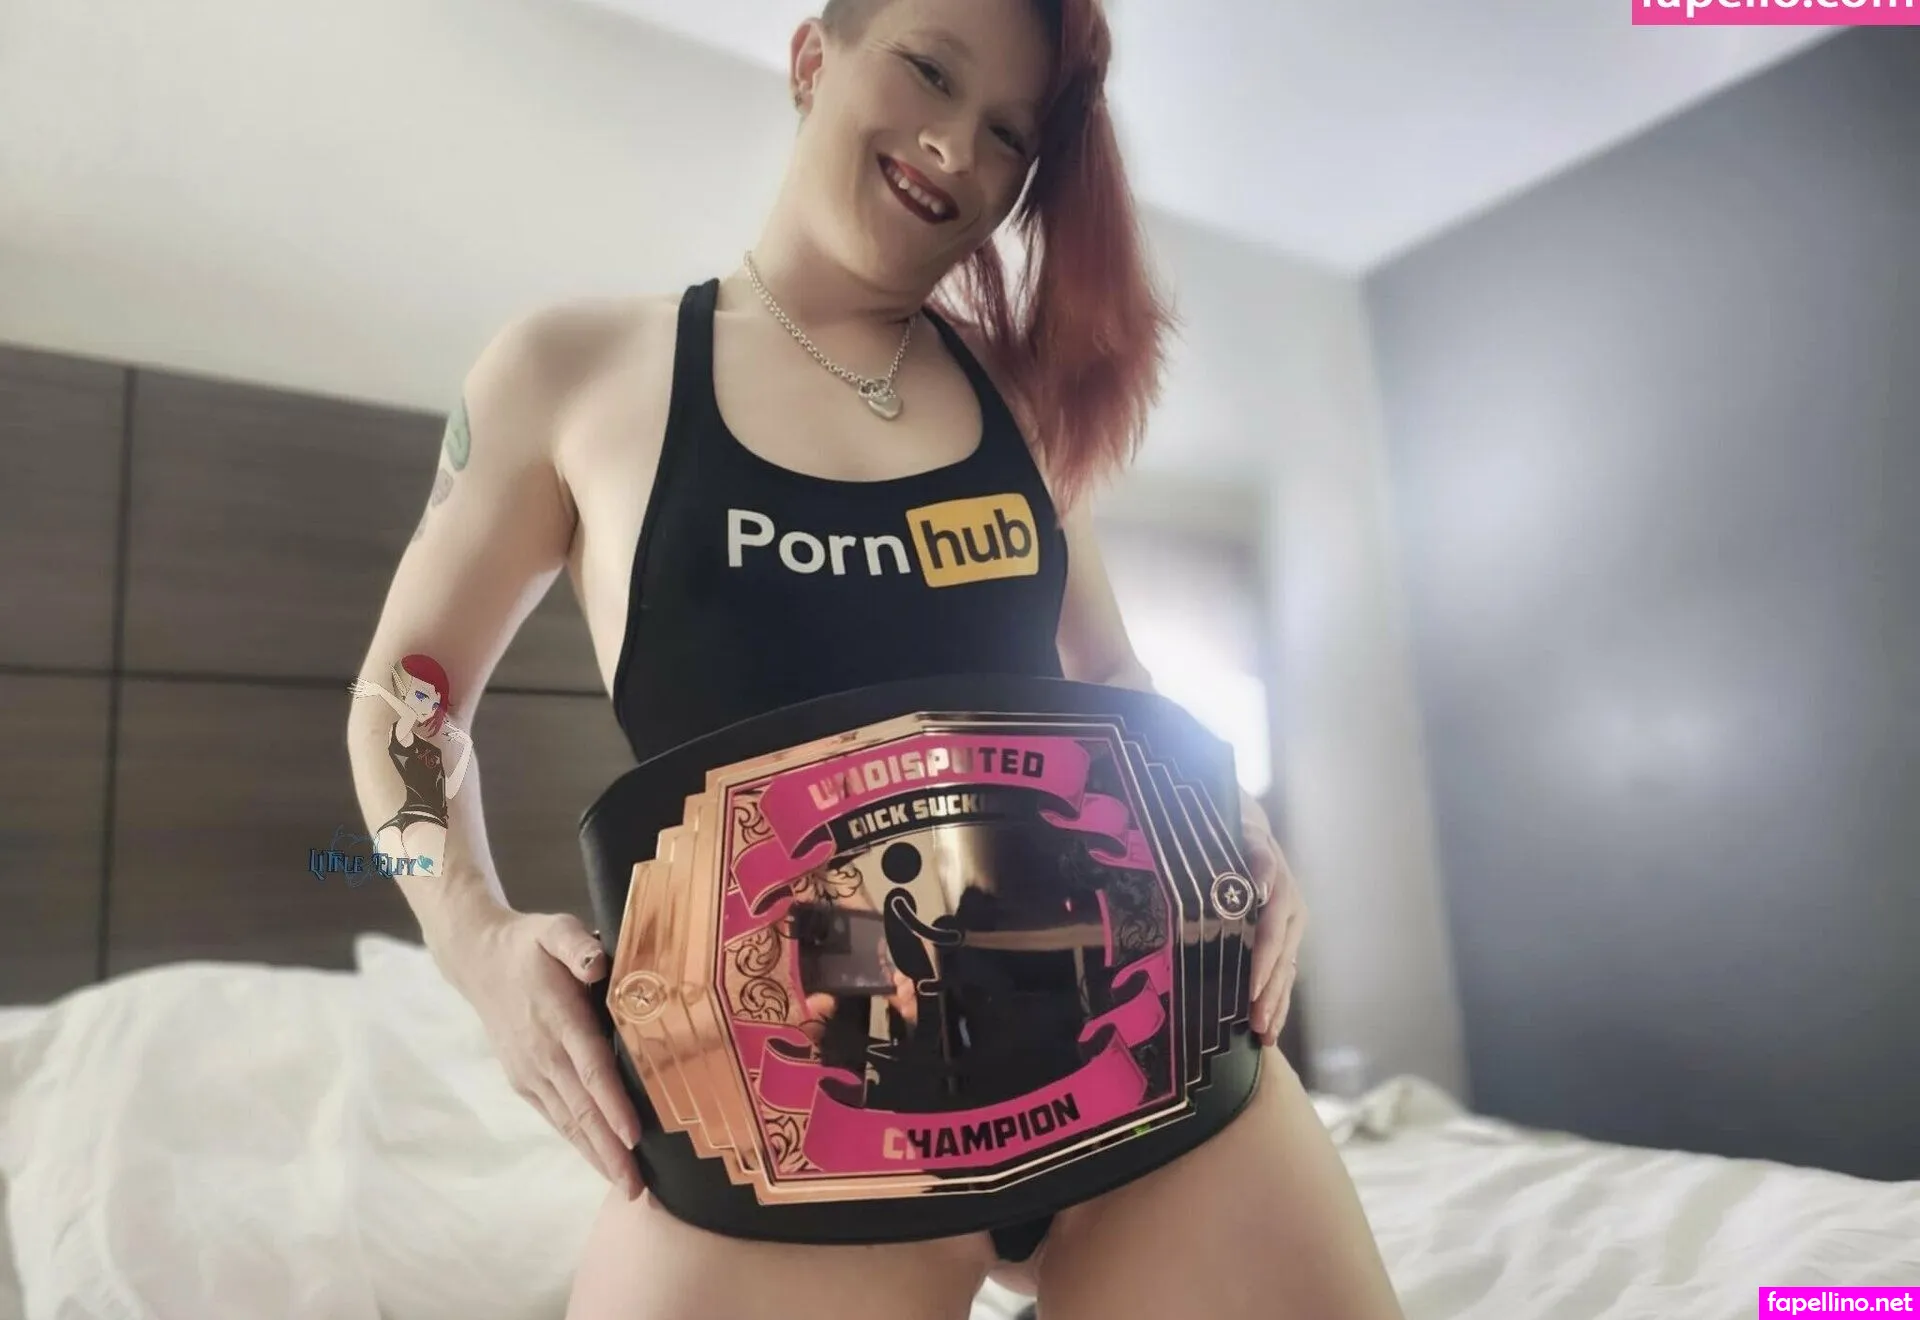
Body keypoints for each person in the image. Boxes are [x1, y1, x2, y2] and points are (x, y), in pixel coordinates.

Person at [346, 0, 1406, 1316]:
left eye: (1009, 132)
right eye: (928, 71)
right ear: (813, 57)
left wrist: (1225, 810)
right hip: (788, 1119)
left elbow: (1115, 685)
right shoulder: (575, 371)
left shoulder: (1021, 403)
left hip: (1135, 1051)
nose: (956, 148)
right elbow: (409, 696)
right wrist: (473, 939)